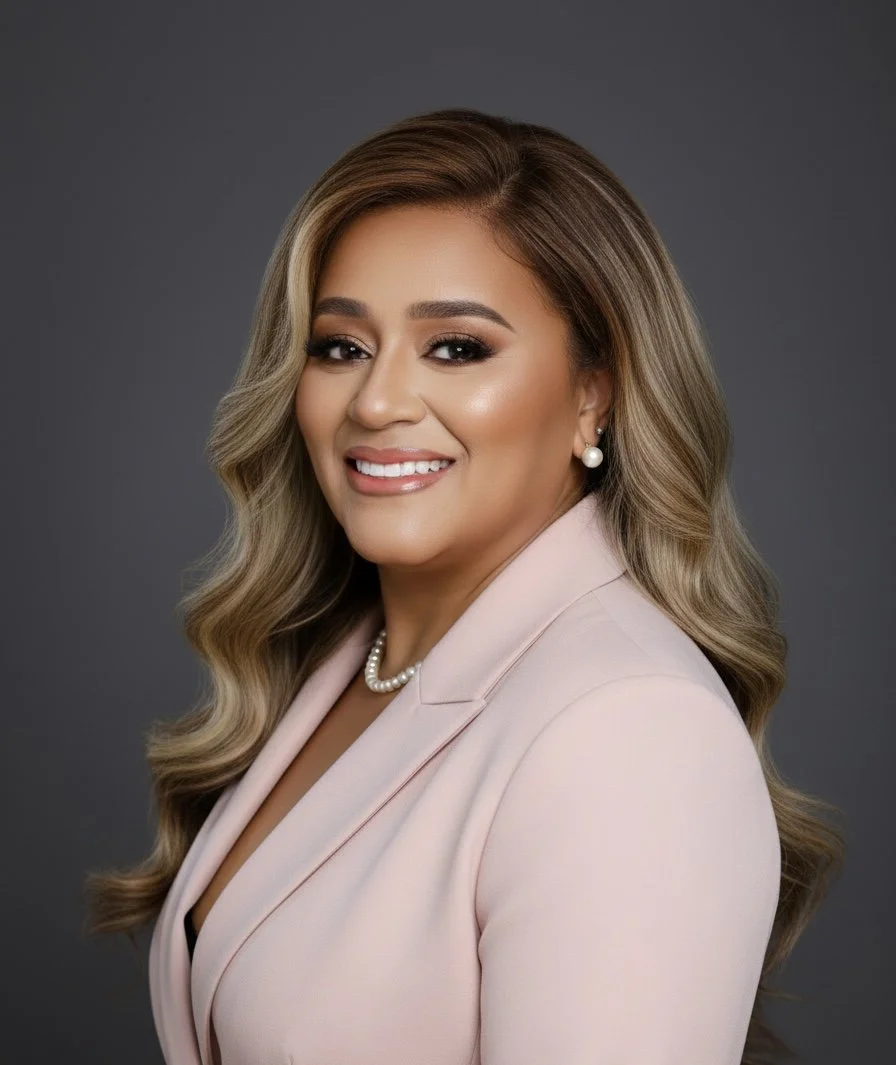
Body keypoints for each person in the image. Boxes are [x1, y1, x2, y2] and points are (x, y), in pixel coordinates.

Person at [86, 108, 844, 1065]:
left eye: (456, 347)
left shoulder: (631, 726)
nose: (376, 401)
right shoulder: (349, 659)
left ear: (592, 394)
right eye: (340, 346)